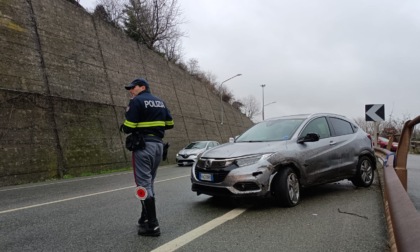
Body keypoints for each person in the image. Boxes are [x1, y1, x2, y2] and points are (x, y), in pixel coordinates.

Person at [120, 78, 174, 236]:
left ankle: (153, 225)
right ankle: (144, 217)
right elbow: (170, 124)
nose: (131, 91)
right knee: (149, 182)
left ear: (142, 87)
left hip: (143, 146)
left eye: (133, 87)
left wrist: (124, 126)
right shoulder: (160, 102)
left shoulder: (137, 101)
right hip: (158, 145)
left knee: (143, 185)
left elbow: (129, 127)